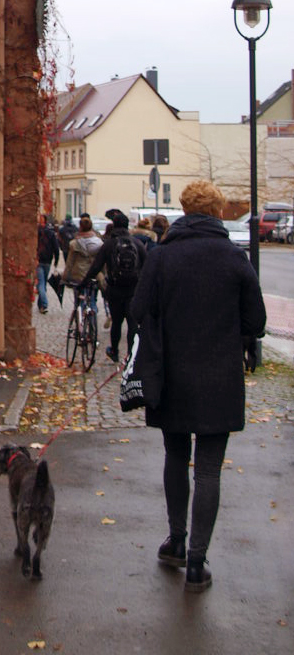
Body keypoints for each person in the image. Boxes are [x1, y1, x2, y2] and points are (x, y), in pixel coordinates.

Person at [130, 179, 266, 593]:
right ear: (219, 212)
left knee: (175, 456)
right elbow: (255, 322)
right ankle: (196, 561)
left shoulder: (162, 256)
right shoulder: (233, 257)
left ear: (185, 212)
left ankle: (175, 540)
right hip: (219, 378)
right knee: (208, 470)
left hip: (171, 375)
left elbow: (138, 312)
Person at [79, 208, 145, 362]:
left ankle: (114, 351)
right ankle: (131, 355)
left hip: (115, 289)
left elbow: (96, 267)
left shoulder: (109, 244)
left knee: (117, 322)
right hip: (133, 290)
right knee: (132, 323)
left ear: (114, 225)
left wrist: (84, 282)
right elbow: (147, 265)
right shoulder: (137, 243)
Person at [59, 214, 103, 308]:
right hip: (94, 274)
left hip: (78, 276)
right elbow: (102, 262)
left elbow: (70, 263)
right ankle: (93, 312)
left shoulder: (74, 244)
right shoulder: (99, 243)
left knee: (78, 299)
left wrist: (65, 278)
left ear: (80, 227)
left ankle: (79, 314)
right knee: (92, 299)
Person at [36, 214, 60, 314]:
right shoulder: (51, 233)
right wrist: (56, 261)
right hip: (47, 261)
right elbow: (56, 248)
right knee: (43, 282)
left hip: (38, 260)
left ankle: (42, 304)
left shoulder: (36, 232)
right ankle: (43, 305)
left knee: (41, 283)